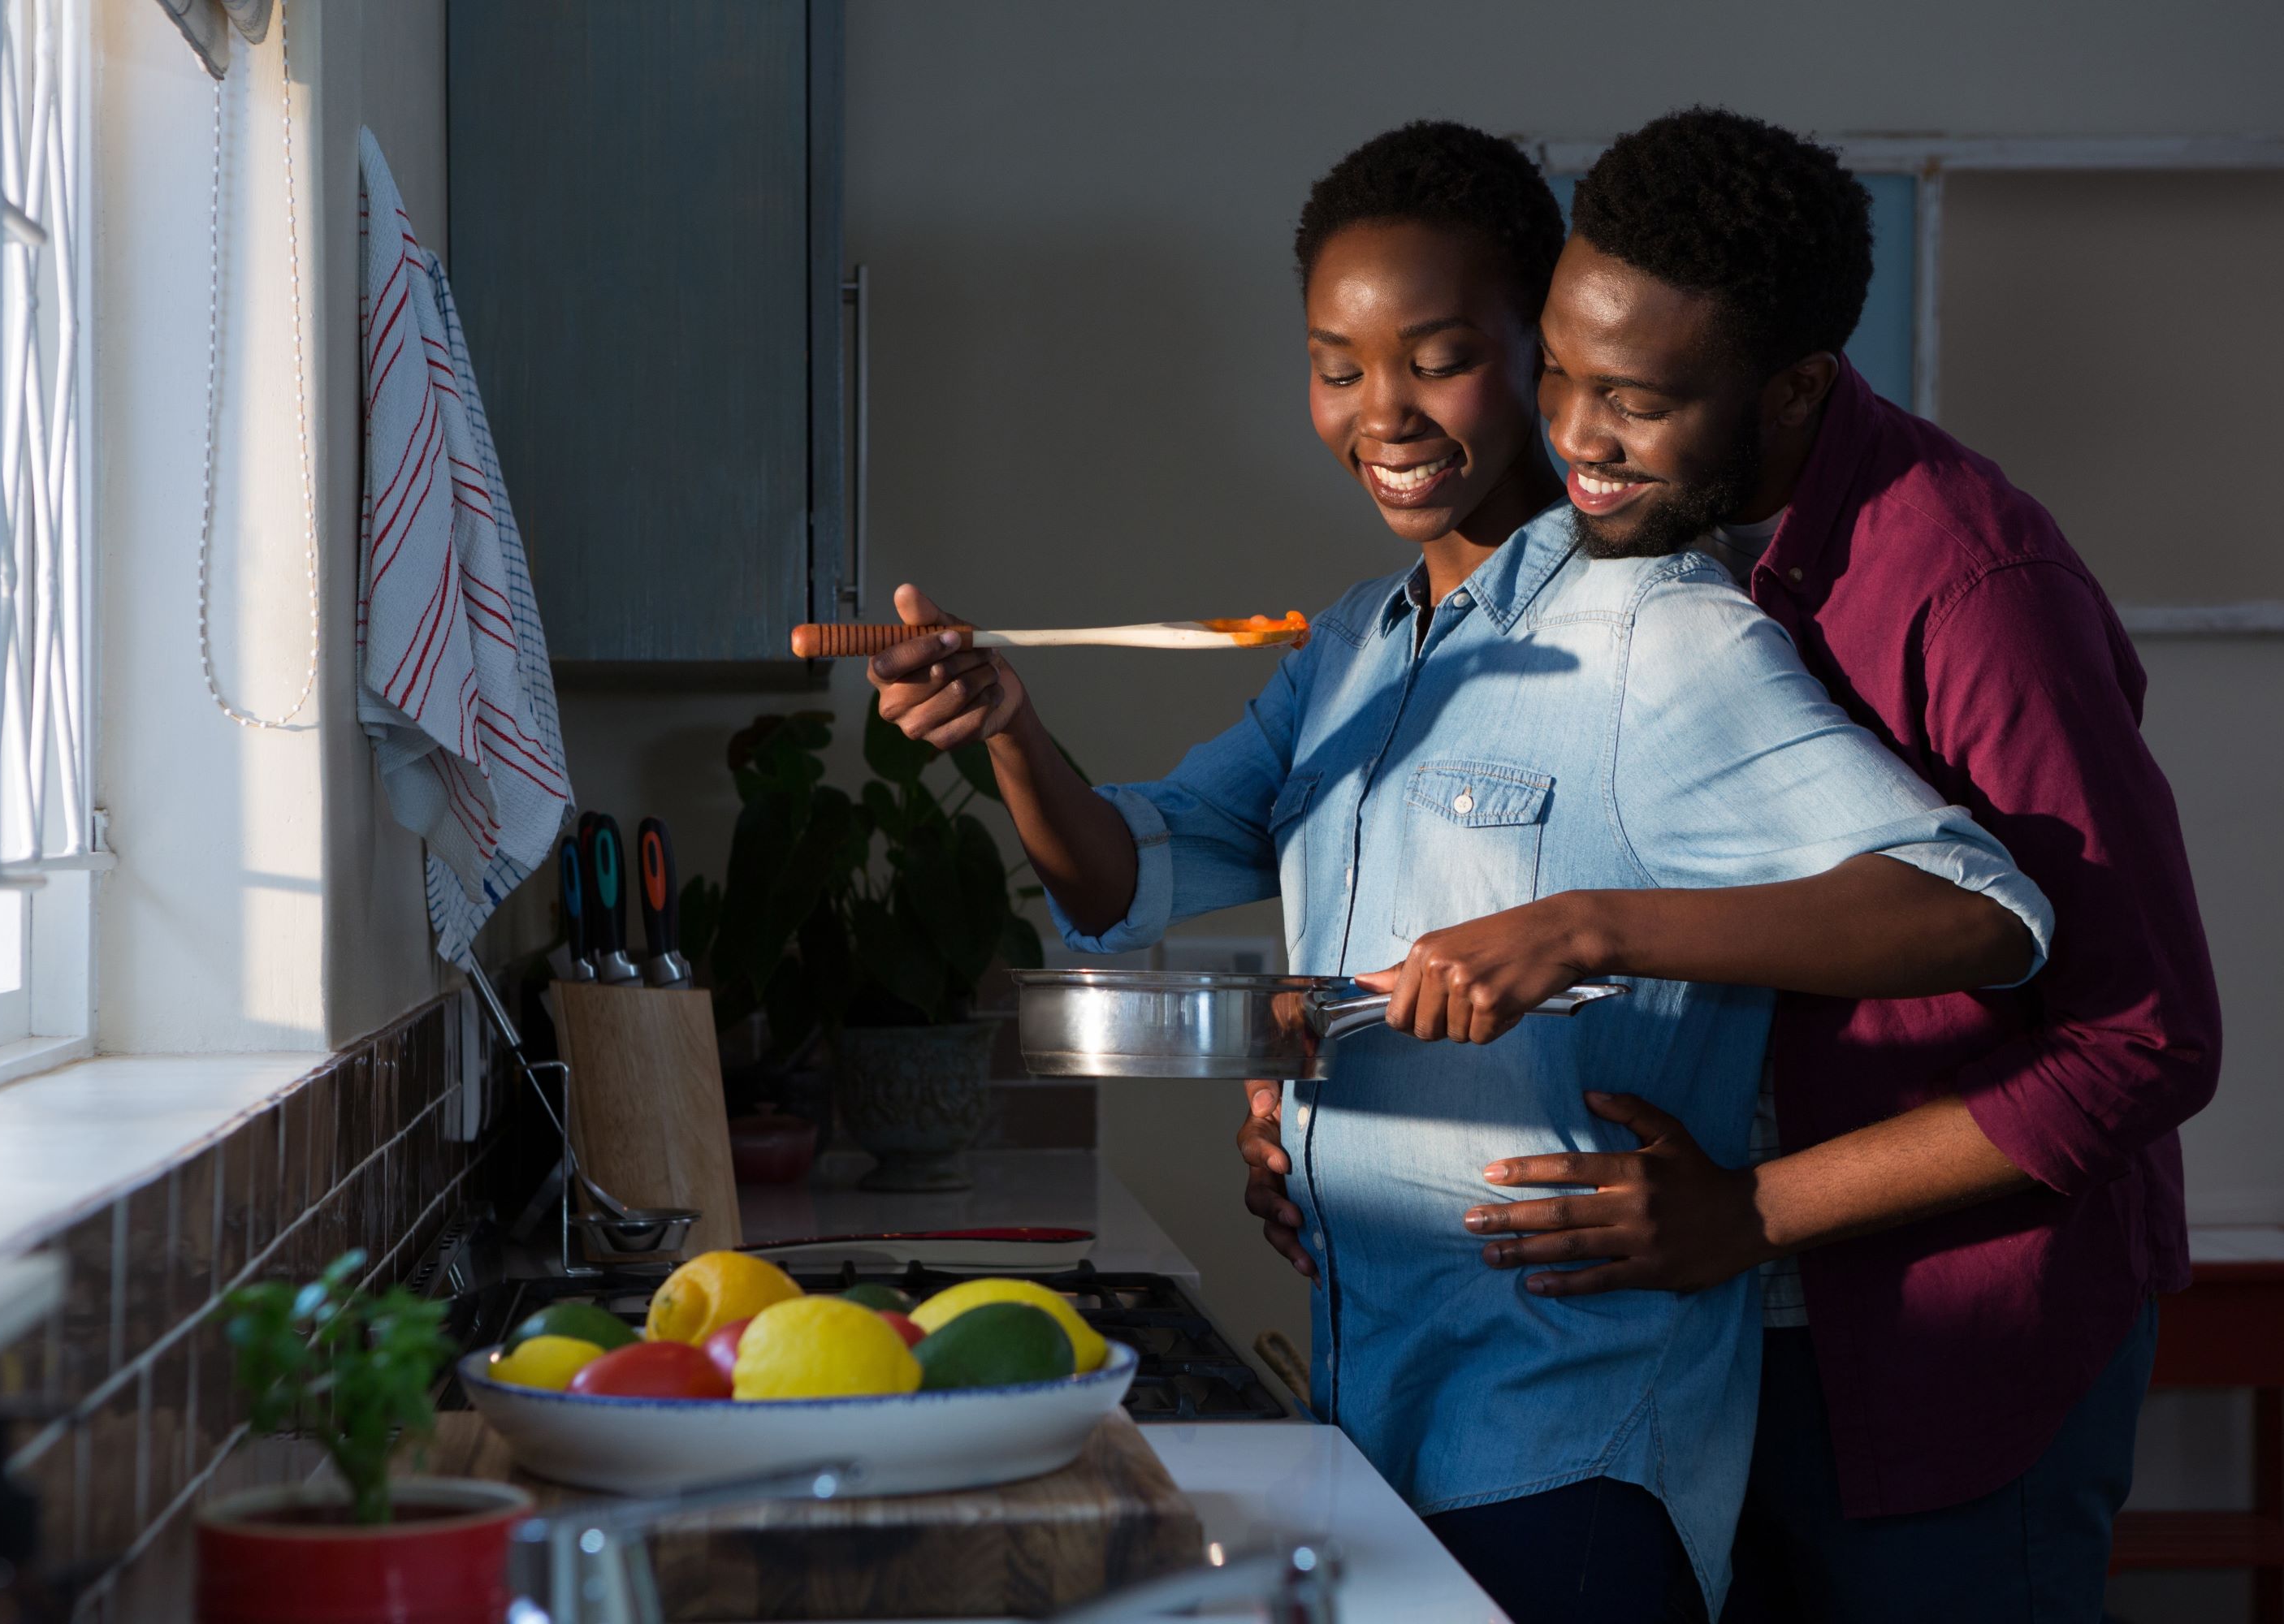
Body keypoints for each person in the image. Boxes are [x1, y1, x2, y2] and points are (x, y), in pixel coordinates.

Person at [872, 122, 2052, 1622]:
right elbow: (1127, 880)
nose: (1385, 411)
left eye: (1438, 357)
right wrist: (1010, 730)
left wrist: (1586, 927)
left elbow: (1982, 908)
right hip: (1383, 1412)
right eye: (1338, 364)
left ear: (1540, 358)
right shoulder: (1357, 643)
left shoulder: (1662, 635)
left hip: (1571, 1438)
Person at [1245, 108, 2221, 1623]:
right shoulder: (1629, 544)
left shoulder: (1974, 594)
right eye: (1559, 372)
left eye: (1632, 399)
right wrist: (1341, 1114)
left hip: (1938, 1352)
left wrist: (1753, 1212)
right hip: (1705, 1351)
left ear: (1798, 387)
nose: (1572, 435)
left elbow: (2146, 1043)